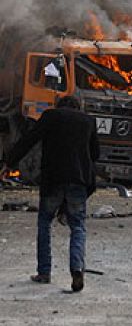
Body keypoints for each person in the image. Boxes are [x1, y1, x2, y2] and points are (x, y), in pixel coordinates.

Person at [0, 95, 99, 292]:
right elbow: (95, 154)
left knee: (45, 223)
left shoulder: (50, 116)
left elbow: (29, 140)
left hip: (53, 180)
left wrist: (9, 163)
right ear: (78, 107)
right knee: (78, 226)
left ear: (59, 106)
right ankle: (77, 268)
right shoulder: (88, 121)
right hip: (78, 181)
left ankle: (44, 272)